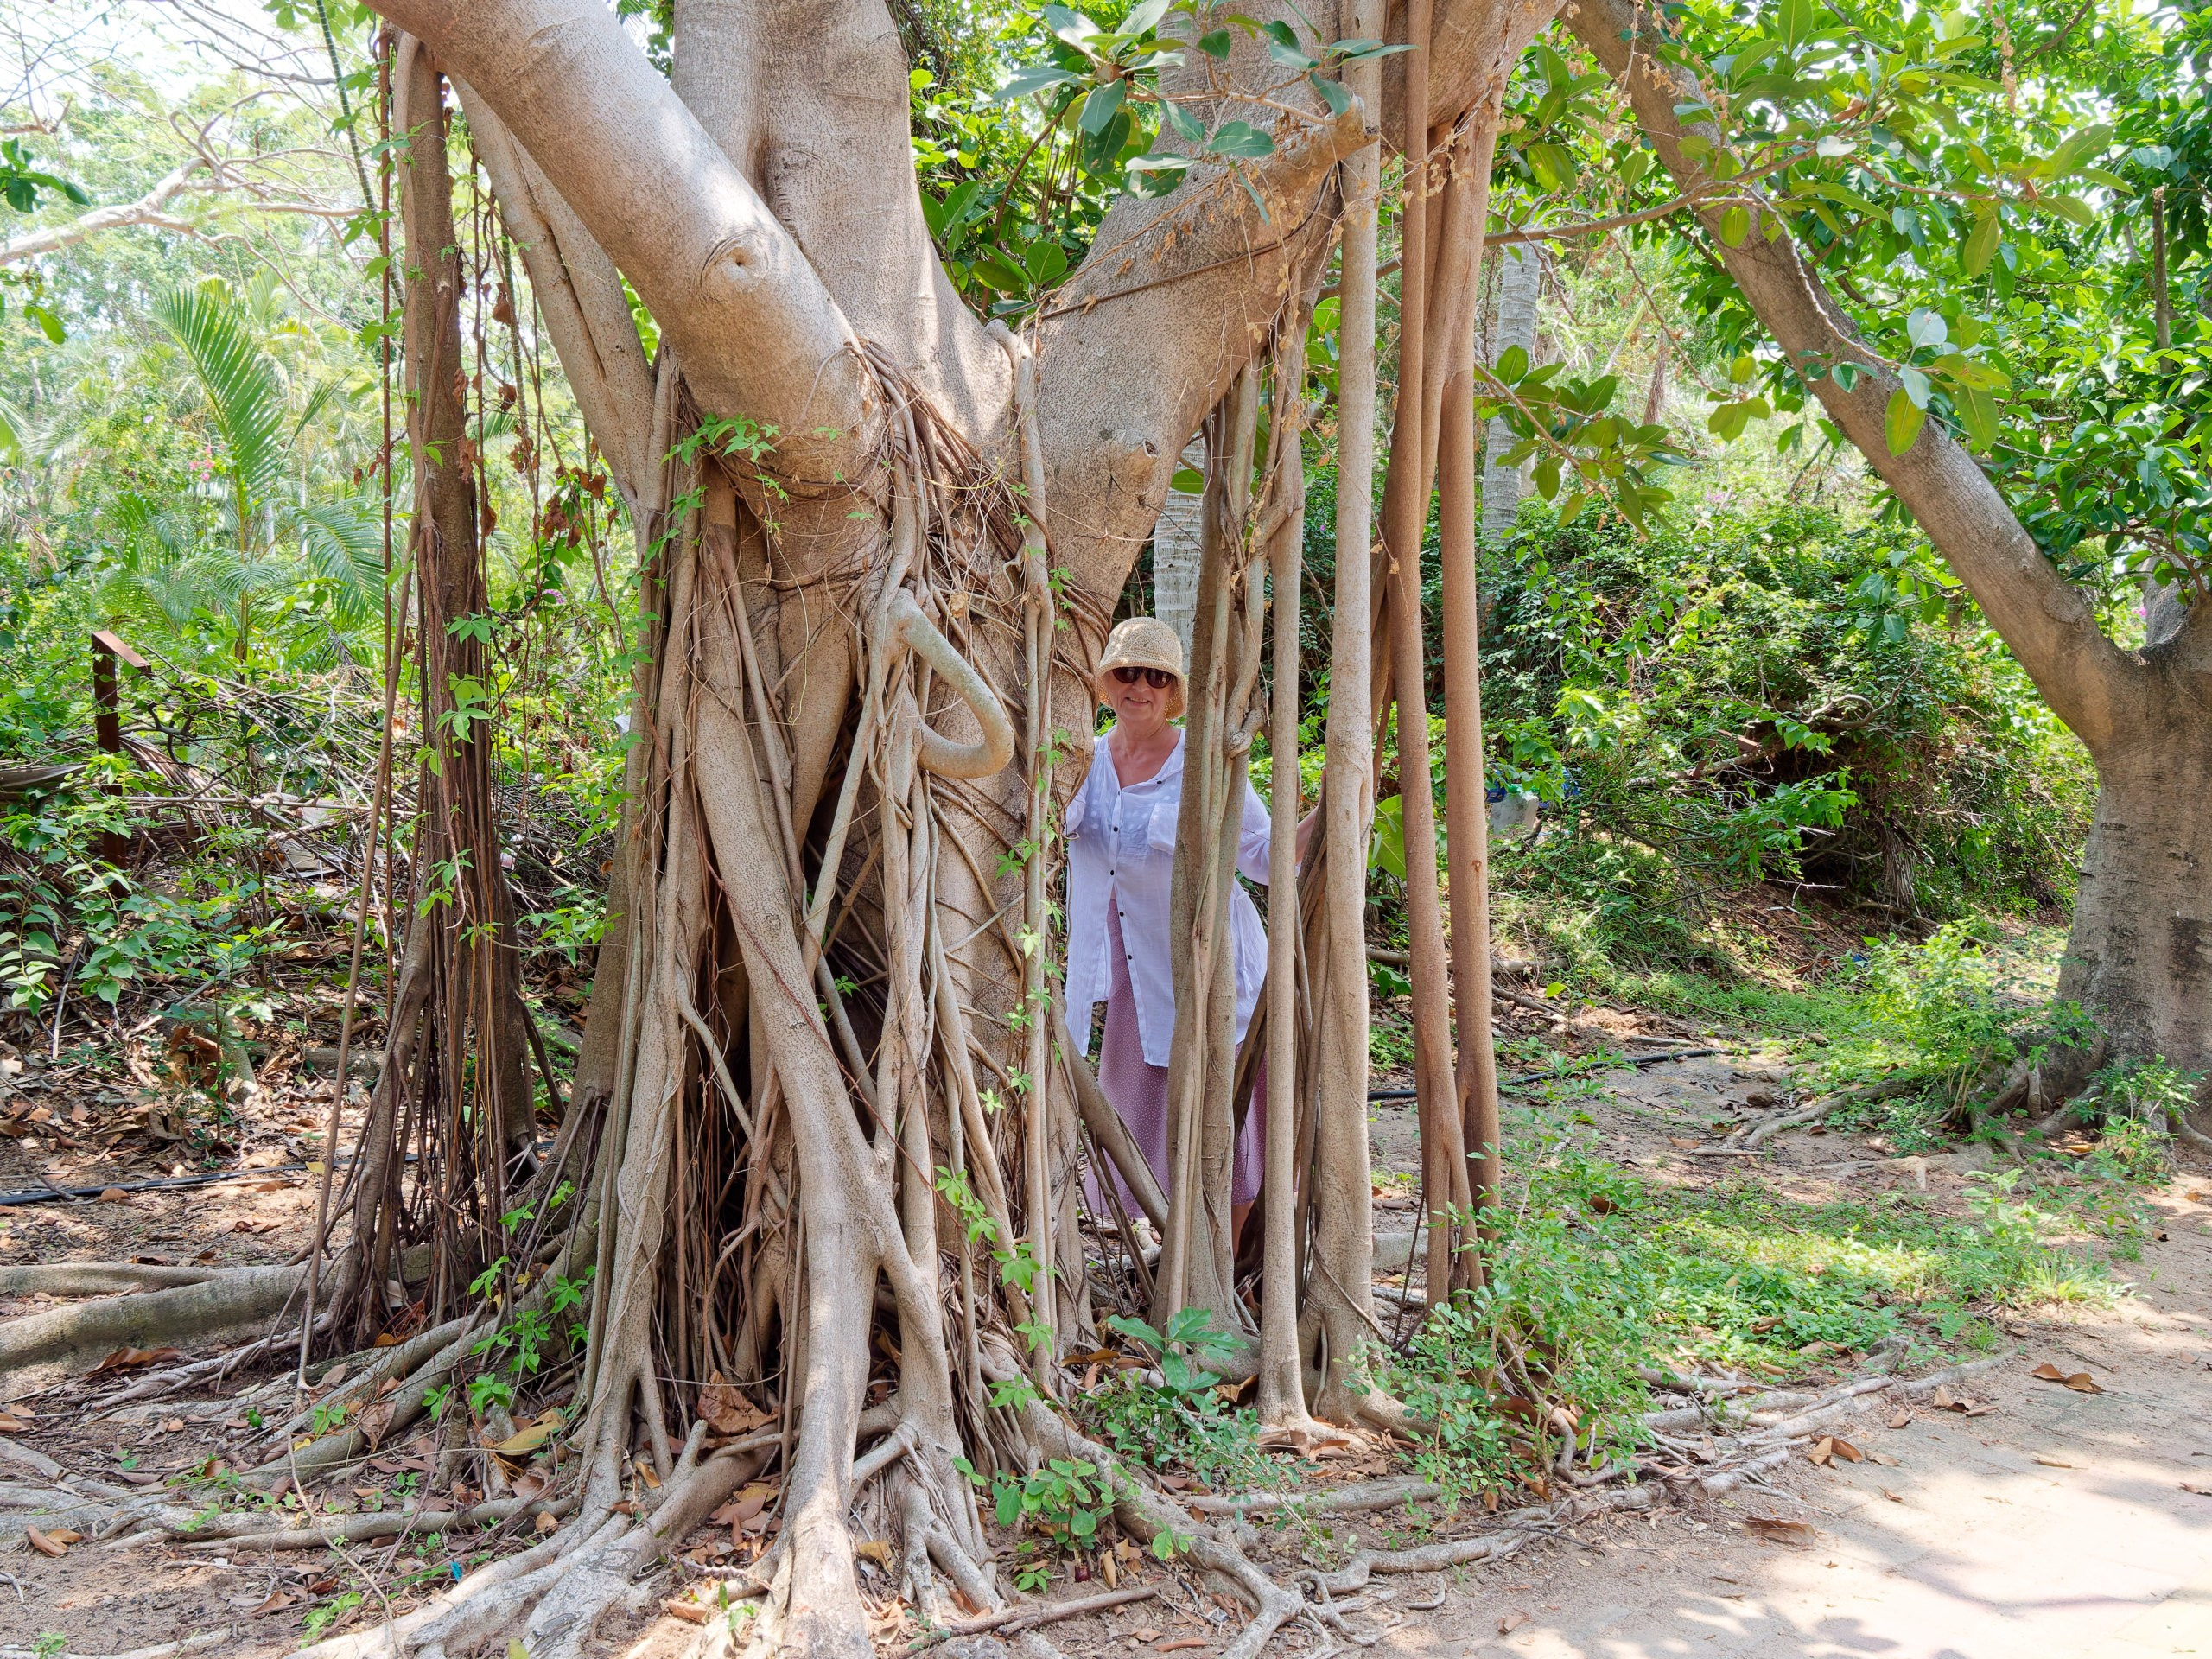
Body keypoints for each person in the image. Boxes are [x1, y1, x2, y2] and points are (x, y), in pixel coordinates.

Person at [1062, 616, 1295, 1243]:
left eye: (1156, 677)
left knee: (1224, 1123)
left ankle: (1219, 1264)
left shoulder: (1203, 762)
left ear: (1173, 692)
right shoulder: (1083, 760)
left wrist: (1332, 810)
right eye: (1127, 673)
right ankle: (1171, 1251)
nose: (1140, 687)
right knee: (1137, 1116)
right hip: (1132, 972)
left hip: (1208, 968)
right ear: (1107, 684)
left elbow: (1262, 856)